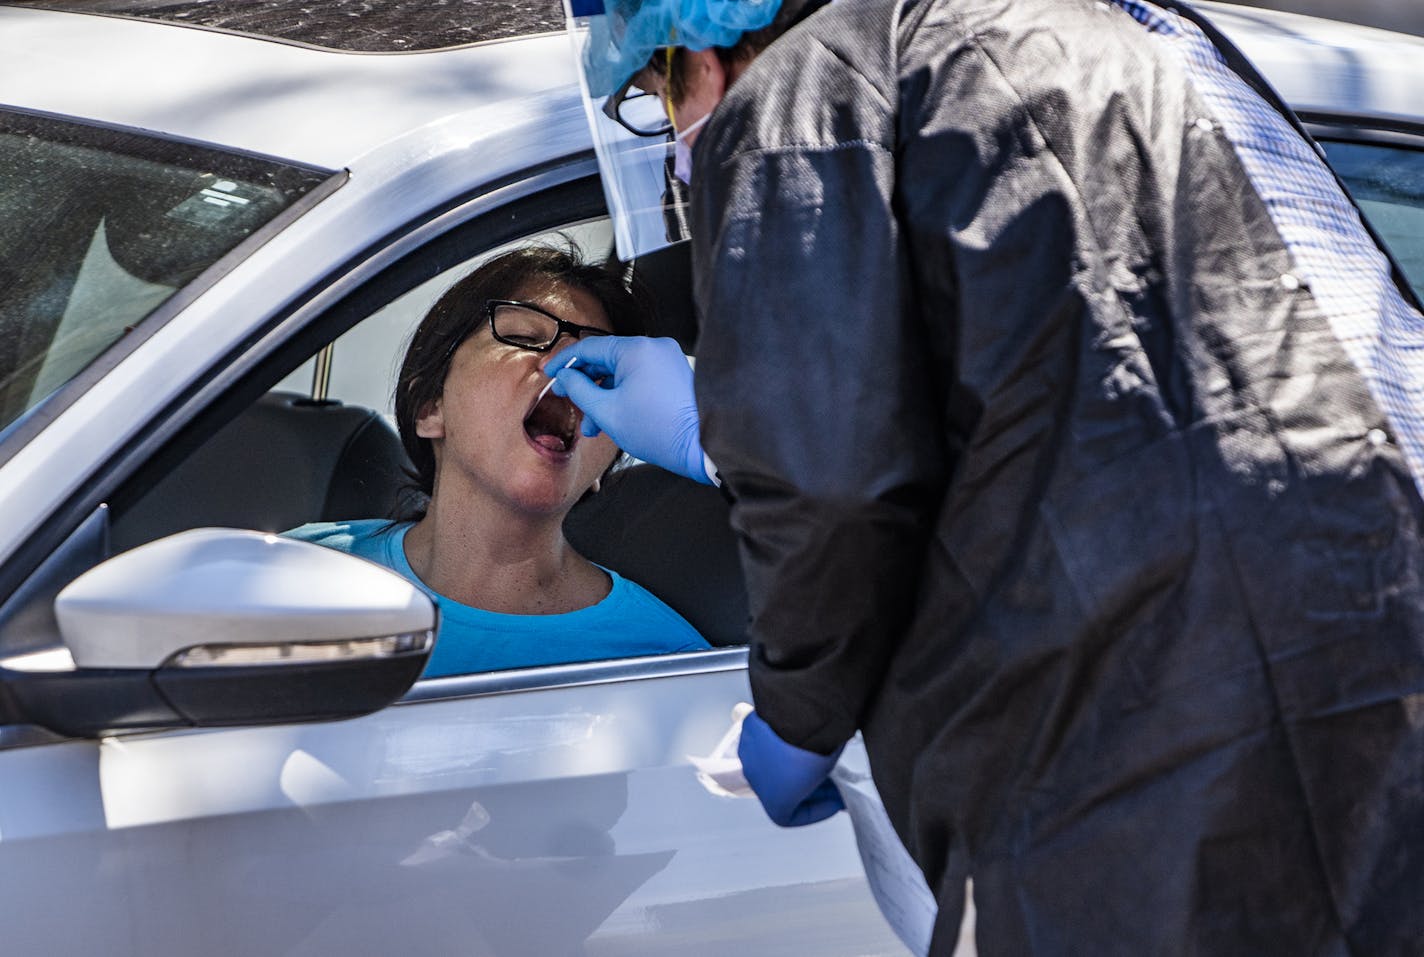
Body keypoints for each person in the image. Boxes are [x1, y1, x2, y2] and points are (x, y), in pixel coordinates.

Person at [552, 0, 1424, 952]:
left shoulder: (807, 92)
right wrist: (716, 437)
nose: (676, 138)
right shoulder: (1128, 34)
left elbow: (836, 484)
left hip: (1153, 752)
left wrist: (796, 720)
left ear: (701, 50)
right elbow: (1088, 385)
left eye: (656, 93)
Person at [287, 245, 709, 676]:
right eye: (524, 338)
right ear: (430, 409)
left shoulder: (666, 661)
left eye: (598, 371)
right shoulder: (290, 574)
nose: (563, 371)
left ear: (605, 463)